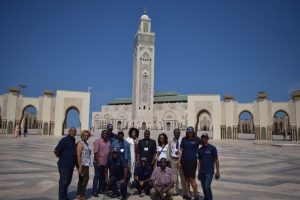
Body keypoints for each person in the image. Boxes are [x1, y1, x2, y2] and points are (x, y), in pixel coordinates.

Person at [178, 127, 201, 200]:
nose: (190, 133)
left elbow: (203, 145)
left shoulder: (197, 139)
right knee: (186, 179)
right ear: (187, 132)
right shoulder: (184, 139)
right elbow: (181, 151)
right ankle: (188, 195)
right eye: (188, 132)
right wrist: (179, 161)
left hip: (192, 162)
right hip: (184, 161)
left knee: (192, 179)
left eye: (191, 132)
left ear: (193, 132)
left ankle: (196, 195)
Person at [54, 127, 77, 200]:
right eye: (71, 131)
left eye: (74, 131)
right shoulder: (64, 140)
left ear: (75, 133)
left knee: (67, 183)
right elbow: (56, 151)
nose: (73, 132)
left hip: (70, 166)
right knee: (63, 183)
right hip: (64, 166)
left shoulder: (73, 140)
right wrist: (62, 158)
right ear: (69, 131)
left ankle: (65, 197)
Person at [198, 133, 220, 200]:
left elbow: (216, 160)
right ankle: (206, 197)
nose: (203, 139)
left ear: (207, 139)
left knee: (207, 186)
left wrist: (217, 171)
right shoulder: (200, 150)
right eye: (202, 137)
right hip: (202, 172)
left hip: (209, 172)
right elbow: (199, 162)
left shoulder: (212, 148)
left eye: (205, 137)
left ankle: (210, 198)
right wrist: (199, 172)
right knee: (203, 187)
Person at [168, 128, 187, 197]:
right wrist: (169, 160)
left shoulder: (183, 140)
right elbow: (169, 150)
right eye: (175, 132)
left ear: (180, 133)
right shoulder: (171, 140)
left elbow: (185, 149)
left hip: (181, 160)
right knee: (174, 177)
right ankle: (176, 191)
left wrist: (180, 153)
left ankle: (185, 192)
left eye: (177, 132)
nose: (176, 134)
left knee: (182, 176)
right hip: (173, 159)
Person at [92, 129, 111, 197]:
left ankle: (100, 189)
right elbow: (96, 152)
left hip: (105, 163)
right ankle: (94, 191)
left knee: (102, 177)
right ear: (101, 134)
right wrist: (98, 162)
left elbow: (108, 153)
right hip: (98, 162)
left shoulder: (108, 142)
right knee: (97, 176)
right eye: (104, 133)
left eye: (106, 133)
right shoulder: (98, 141)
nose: (105, 135)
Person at [75, 130, 92, 200]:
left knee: (82, 179)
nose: (86, 136)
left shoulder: (86, 144)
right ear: (82, 135)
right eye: (85, 135)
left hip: (86, 164)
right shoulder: (80, 143)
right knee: (85, 179)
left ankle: (79, 194)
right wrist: (80, 166)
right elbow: (78, 155)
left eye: (88, 135)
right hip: (83, 164)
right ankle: (82, 195)